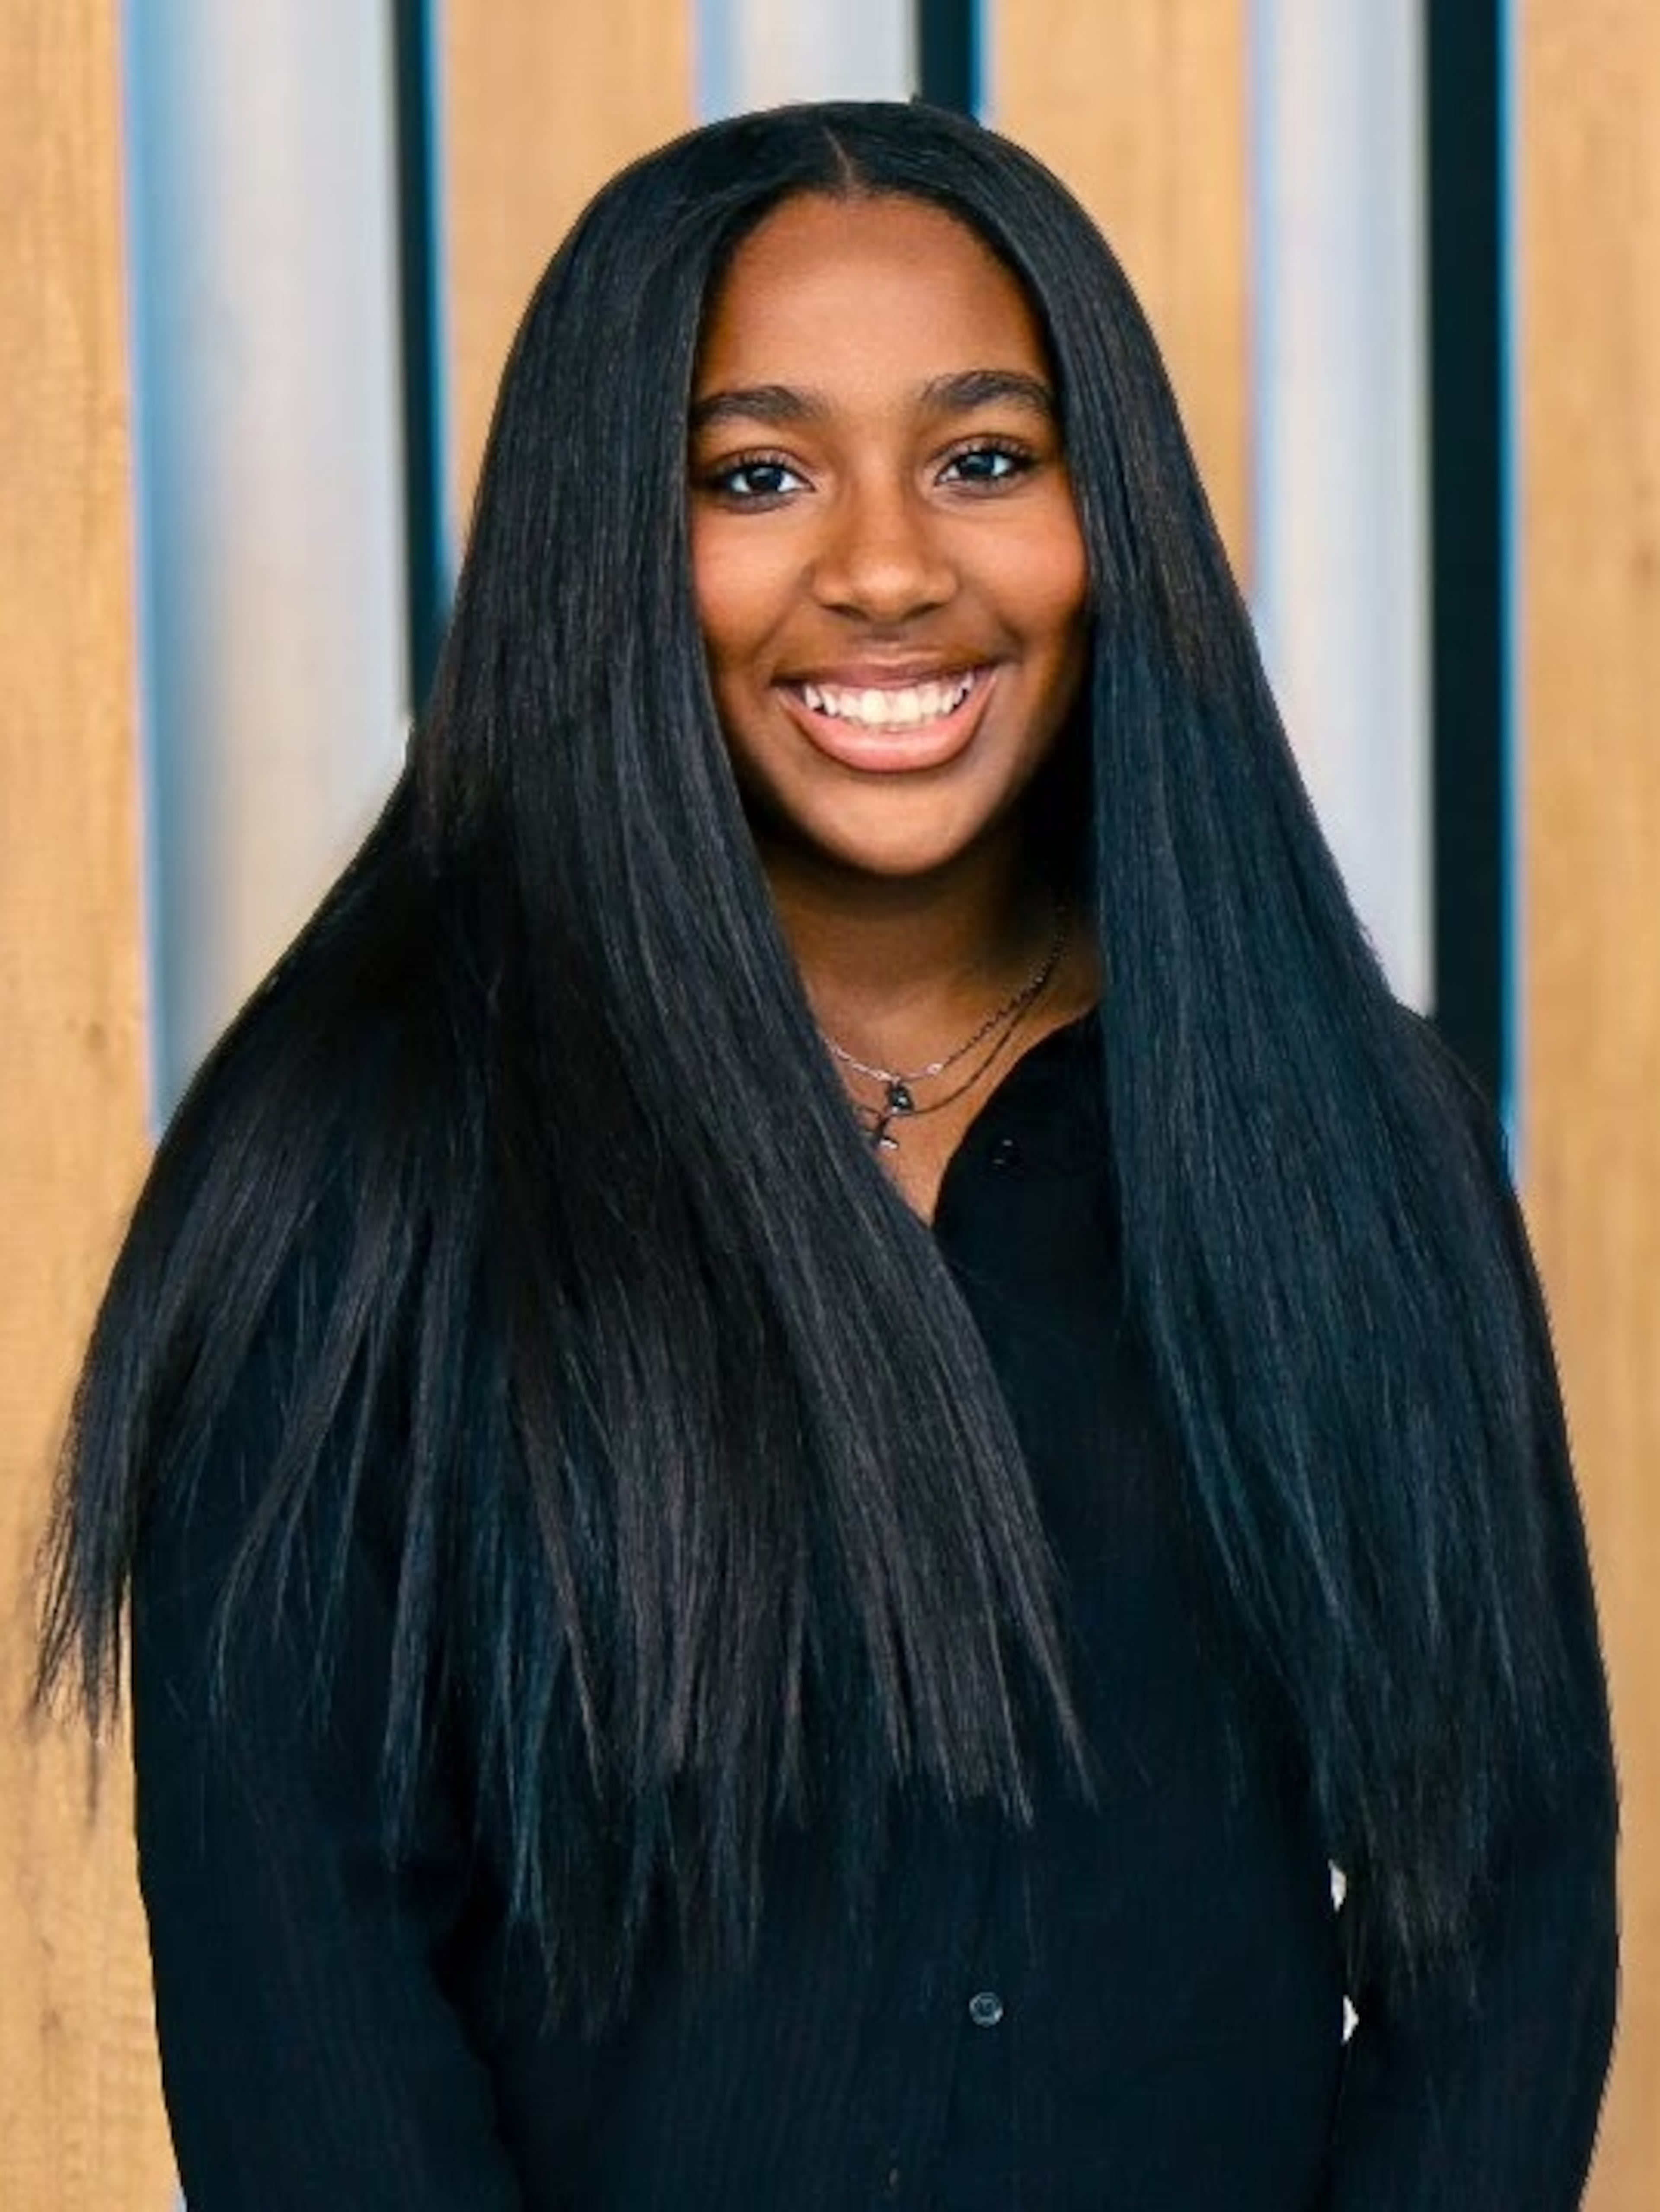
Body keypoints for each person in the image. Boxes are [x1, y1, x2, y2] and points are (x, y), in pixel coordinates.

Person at [39, 100, 1616, 2208]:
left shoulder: (1352, 1134)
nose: (887, 568)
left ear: (1103, 509)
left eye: (985, 457)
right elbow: (302, 1983)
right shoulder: (363, 1167)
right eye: (757, 475)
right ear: (611, 535)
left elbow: (1499, 1916)